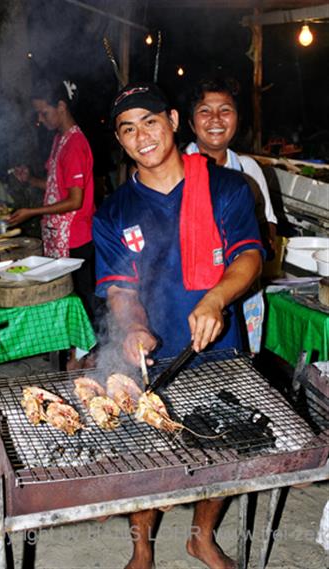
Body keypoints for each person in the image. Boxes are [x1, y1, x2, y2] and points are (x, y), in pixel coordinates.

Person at [93, 82, 264, 569]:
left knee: (225, 447)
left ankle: (200, 537)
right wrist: (131, 328)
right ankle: (142, 547)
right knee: (145, 454)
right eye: (128, 129)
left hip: (219, 344)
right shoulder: (114, 212)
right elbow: (121, 289)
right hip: (152, 355)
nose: (141, 135)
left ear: (171, 120)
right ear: (121, 142)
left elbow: (249, 256)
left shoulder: (226, 187)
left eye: (149, 121)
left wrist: (216, 298)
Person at [9, 79, 96, 318]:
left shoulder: (76, 144)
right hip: (60, 236)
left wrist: (32, 212)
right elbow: (57, 185)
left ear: (61, 106)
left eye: (43, 112)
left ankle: (84, 354)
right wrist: (30, 180)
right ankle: (74, 351)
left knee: (79, 300)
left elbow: (75, 200)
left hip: (76, 238)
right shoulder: (60, 139)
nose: (41, 118)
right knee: (65, 296)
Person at [185, 76, 277, 252]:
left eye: (225, 110)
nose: (216, 118)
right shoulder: (176, 168)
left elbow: (268, 220)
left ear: (238, 120)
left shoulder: (248, 169)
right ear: (191, 123)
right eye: (205, 111)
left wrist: (264, 239)